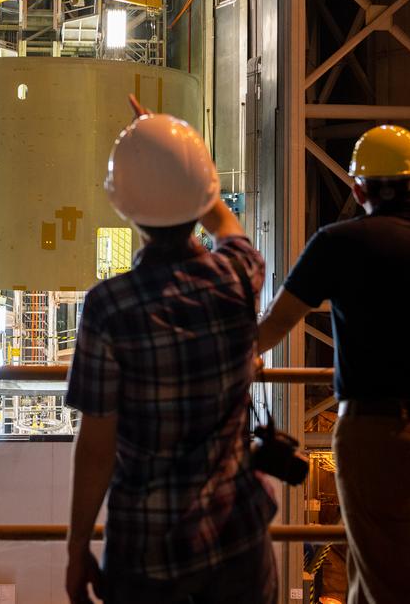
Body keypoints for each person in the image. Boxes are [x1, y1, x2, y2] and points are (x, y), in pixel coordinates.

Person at [255, 125, 410, 604]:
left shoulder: (339, 242)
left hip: (390, 445)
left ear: (358, 188)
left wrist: (231, 355)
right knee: (371, 572)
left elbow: (276, 323)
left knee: (403, 590)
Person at [65, 104, 278, 604]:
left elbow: (96, 446)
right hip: (238, 539)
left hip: (146, 551)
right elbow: (226, 225)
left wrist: (77, 547)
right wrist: (181, 158)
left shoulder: (109, 306)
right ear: (202, 192)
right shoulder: (240, 274)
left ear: (124, 206)